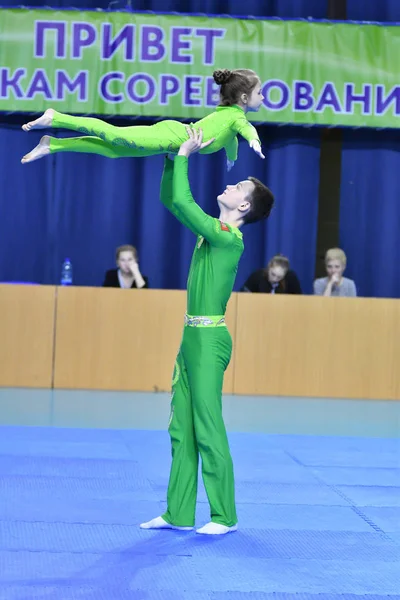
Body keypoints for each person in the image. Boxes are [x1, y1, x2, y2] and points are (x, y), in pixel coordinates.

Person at [140, 127, 274, 536]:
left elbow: (184, 199)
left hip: (209, 341)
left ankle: (224, 515)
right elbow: (171, 199)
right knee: (181, 427)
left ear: (244, 204)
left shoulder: (228, 239)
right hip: (190, 339)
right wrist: (168, 159)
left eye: (238, 185)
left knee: (208, 425)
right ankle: (178, 512)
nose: (230, 184)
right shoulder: (209, 233)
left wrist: (184, 153)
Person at [21, 69, 265, 170]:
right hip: (172, 136)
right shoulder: (236, 117)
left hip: (170, 141)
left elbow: (233, 138)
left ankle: (52, 145)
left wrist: (232, 158)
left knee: (113, 151)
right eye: (259, 93)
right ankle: (57, 117)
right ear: (244, 97)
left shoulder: (230, 117)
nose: (262, 98)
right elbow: (244, 128)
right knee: (115, 135)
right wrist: (254, 140)